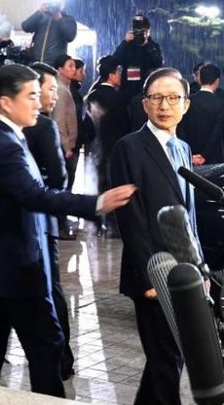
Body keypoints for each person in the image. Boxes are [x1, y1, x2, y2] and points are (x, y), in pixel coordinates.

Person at [0, 64, 135, 397]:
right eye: (31, 96)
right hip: (15, 265)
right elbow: (34, 195)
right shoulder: (1, 142)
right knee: (46, 344)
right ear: (6, 102)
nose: (39, 102)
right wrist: (95, 203)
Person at [110, 67, 201, 405]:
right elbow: (130, 218)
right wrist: (149, 276)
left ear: (186, 105)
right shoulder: (129, 148)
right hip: (153, 273)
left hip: (184, 271)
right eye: (157, 98)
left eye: (173, 98)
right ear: (144, 103)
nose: (165, 106)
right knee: (166, 354)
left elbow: (189, 217)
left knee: (170, 353)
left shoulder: (183, 148)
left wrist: (200, 266)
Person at [23, 61, 75, 378]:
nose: (54, 95)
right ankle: (62, 358)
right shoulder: (43, 126)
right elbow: (59, 178)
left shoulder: (3, 125)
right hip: (42, 220)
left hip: (17, 222)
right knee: (51, 291)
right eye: (50, 89)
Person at [86, 56, 129, 236]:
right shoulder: (118, 98)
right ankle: (113, 225)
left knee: (97, 183)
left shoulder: (92, 95)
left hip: (95, 147)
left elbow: (87, 124)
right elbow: (124, 124)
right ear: (111, 75)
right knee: (113, 184)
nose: (120, 76)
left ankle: (96, 222)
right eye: (118, 72)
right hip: (114, 147)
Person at [178, 63, 224, 165]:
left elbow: (180, 129)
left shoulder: (187, 102)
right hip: (213, 159)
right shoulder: (221, 104)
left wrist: (189, 155)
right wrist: (204, 155)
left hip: (188, 159)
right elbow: (217, 132)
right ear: (217, 81)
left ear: (200, 79)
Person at [51, 54, 78, 239]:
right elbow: (59, 121)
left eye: (74, 66)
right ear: (60, 69)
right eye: (69, 66)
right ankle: (60, 226)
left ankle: (62, 221)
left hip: (67, 145)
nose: (73, 69)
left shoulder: (65, 87)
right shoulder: (60, 89)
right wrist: (67, 146)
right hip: (64, 147)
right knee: (63, 187)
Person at [112, 13, 163, 107]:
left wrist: (147, 45)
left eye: (143, 31)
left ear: (148, 31)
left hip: (146, 92)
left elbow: (158, 63)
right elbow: (114, 61)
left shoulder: (153, 47)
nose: (140, 33)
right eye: (137, 31)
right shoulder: (127, 46)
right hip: (127, 93)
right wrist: (124, 42)